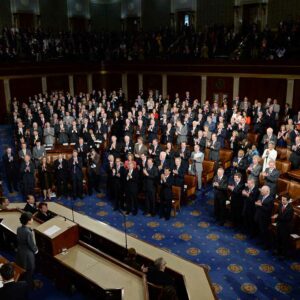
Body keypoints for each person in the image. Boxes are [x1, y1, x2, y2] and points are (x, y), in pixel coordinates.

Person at [16, 212, 38, 289]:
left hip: (20, 251)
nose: (32, 219)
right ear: (28, 221)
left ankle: (23, 282)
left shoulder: (19, 228)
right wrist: (36, 250)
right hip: (28, 254)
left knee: (22, 267)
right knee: (30, 270)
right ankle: (30, 286)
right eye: (32, 218)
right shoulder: (28, 232)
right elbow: (31, 244)